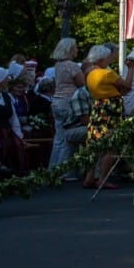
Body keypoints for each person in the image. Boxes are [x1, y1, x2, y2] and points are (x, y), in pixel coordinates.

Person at [84, 45, 130, 189]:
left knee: (94, 144)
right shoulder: (107, 74)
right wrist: (131, 69)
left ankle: (89, 177)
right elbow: (127, 86)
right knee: (112, 145)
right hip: (111, 109)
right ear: (102, 58)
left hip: (98, 108)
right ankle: (102, 178)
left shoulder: (90, 74)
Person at [46, 38, 85, 172]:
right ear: (69, 49)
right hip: (68, 102)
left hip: (57, 101)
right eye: (75, 47)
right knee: (68, 139)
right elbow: (81, 83)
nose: (77, 49)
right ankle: (63, 170)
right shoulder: (72, 66)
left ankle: (52, 168)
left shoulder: (58, 65)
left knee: (58, 138)